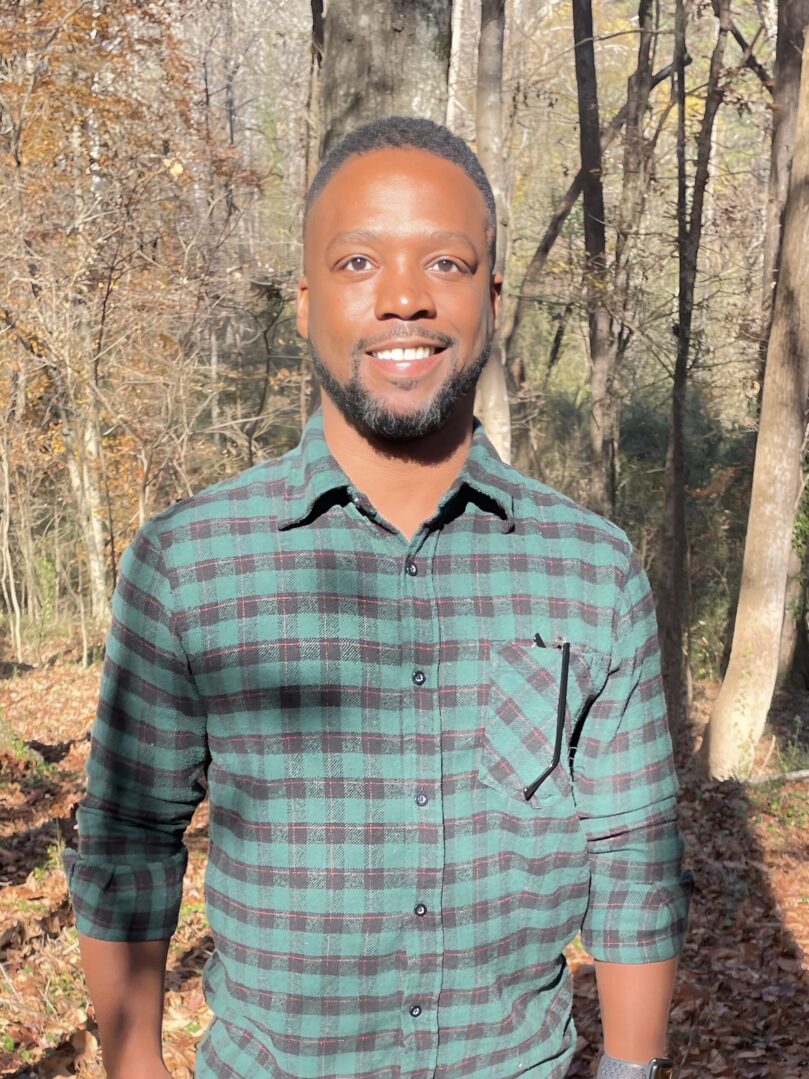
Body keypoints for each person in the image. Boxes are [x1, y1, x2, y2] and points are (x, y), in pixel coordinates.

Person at [65, 116, 692, 1079]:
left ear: (492, 297)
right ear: (307, 301)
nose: (403, 297)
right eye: (359, 262)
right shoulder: (189, 562)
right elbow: (128, 840)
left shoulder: (591, 568)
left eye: (444, 263)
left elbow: (633, 849)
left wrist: (630, 1068)